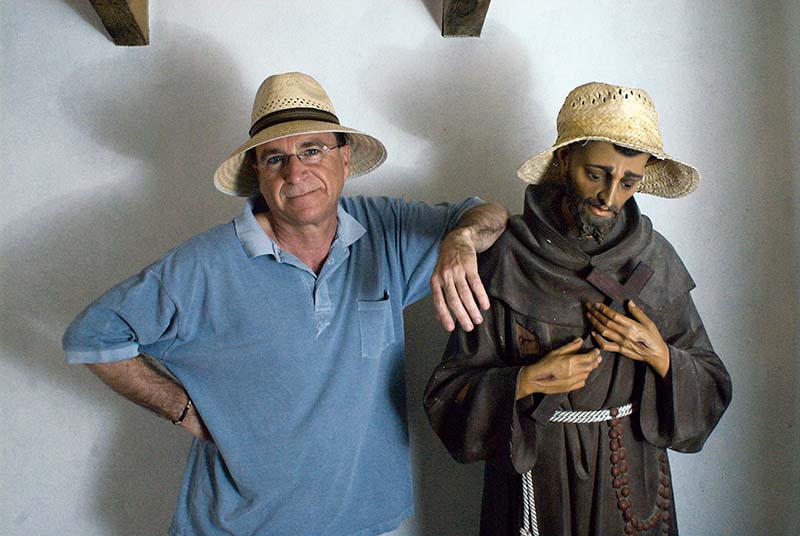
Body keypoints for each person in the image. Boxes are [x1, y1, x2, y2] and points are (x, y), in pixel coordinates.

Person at [63, 72, 508, 536]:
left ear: (344, 157)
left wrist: (461, 238)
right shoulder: (204, 266)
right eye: (275, 158)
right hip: (238, 528)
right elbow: (92, 337)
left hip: (359, 523)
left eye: (312, 150)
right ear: (258, 173)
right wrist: (182, 409)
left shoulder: (386, 229)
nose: (295, 173)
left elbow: (490, 215)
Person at [424, 82, 732, 535]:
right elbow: (448, 394)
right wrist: (524, 381)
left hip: (630, 479)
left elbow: (713, 383)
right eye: (596, 174)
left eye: (629, 182)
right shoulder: (508, 257)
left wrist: (662, 357)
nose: (610, 197)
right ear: (565, 160)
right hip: (536, 481)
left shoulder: (656, 259)